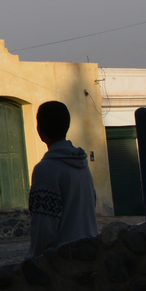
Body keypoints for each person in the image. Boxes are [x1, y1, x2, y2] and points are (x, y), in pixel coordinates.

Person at [28, 100, 98, 255]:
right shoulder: (82, 164)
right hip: (90, 252)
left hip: (65, 260)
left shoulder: (46, 169)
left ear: (40, 130)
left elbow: (43, 225)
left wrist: (35, 258)